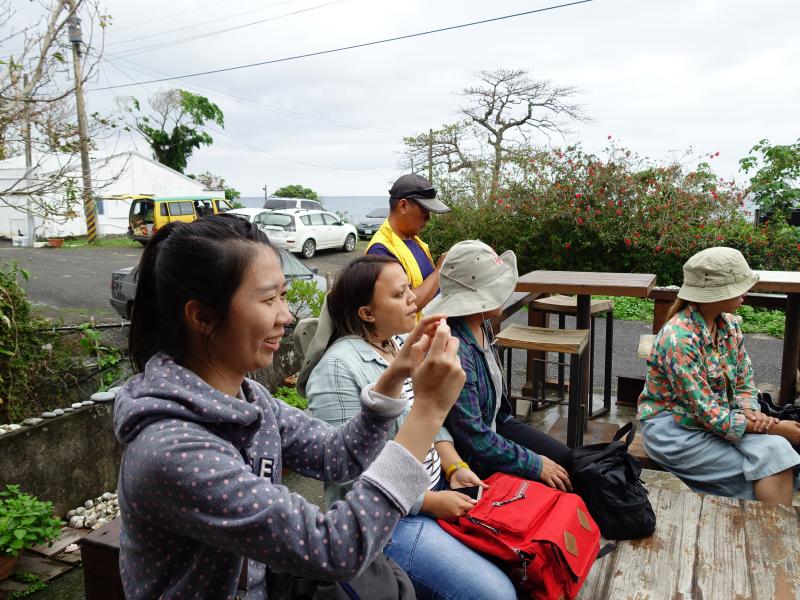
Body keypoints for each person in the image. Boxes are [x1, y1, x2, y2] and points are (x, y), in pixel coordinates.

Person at [113, 213, 467, 599]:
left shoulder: (248, 397)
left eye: (283, 295)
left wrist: (395, 375)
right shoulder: (172, 450)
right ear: (201, 316)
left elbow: (338, 455)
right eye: (269, 299)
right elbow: (333, 549)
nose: (286, 316)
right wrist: (427, 413)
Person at [298, 254, 517, 600]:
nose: (414, 298)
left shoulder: (398, 343)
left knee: (519, 552)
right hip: (391, 520)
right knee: (496, 593)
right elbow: (347, 473)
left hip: (442, 486)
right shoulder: (338, 368)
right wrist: (428, 501)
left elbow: (428, 417)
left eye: (408, 290)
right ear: (367, 313)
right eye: (400, 295)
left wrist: (454, 464)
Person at [638, 247, 800, 505]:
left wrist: (752, 412)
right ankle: (768, 535)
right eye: (738, 286)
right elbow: (706, 412)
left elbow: (744, 382)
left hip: (723, 419)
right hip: (675, 430)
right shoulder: (678, 338)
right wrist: (777, 428)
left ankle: (765, 532)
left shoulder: (730, 326)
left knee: (778, 452)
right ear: (713, 294)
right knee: (775, 463)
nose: (745, 292)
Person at [424, 240, 573, 492]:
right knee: (558, 479)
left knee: (569, 460)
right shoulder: (456, 348)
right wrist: (535, 464)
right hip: (472, 458)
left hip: (497, 427)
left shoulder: (481, 325)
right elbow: (474, 438)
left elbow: (498, 415)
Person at [366, 174, 450, 311]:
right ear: (403, 205)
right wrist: (440, 270)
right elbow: (404, 305)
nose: (428, 218)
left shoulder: (414, 240)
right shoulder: (380, 251)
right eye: (425, 210)